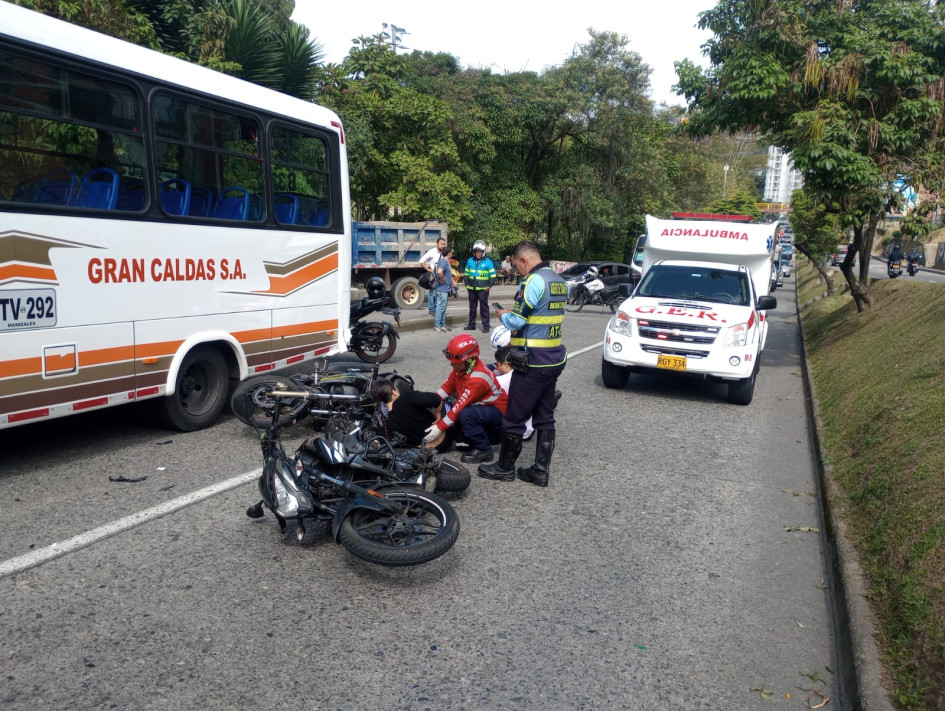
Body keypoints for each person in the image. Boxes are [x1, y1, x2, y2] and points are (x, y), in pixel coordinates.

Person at [478, 240, 567, 487]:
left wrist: (503, 315)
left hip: (533, 363)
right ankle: (540, 471)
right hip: (553, 359)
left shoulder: (532, 281)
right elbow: (542, 315)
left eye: (517, 266)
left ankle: (504, 467)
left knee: (514, 417)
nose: (517, 271)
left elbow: (516, 321)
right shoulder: (558, 281)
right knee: (545, 416)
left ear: (524, 260)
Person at [422, 334, 508, 463]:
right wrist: (431, 401)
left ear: (468, 360)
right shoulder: (463, 368)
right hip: (482, 407)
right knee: (462, 443)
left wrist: (439, 427)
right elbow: (447, 387)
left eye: (455, 363)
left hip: (497, 410)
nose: (452, 365)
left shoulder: (478, 378)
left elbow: (460, 406)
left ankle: (484, 450)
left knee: (465, 414)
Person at [372, 378, 444, 448]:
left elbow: (381, 437)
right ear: (394, 392)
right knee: (447, 405)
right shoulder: (407, 398)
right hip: (442, 439)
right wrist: (437, 413)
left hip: (421, 449)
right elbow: (436, 399)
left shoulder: (382, 418)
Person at [492, 344, 534, 441]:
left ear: (506, 365)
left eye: (499, 365)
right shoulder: (529, 375)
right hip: (530, 425)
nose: (498, 368)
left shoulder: (500, 381)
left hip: (515, 430)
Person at [464, 240, 496, 333]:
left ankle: (486, 326)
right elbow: (466, 274)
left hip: (483, 290)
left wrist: (489, 286)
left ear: (483, 252)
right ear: (474, 252)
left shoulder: (488, 262)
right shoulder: (470, 261)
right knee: (472, 308)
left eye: (480, 251)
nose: (478, 253)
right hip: (471, 289)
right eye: (477, 251)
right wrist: (467, 284)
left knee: (484, 308)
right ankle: (471, 325)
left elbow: (493, 275)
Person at [420, 236, 447, 317]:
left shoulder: (444, 253)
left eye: (444, 244)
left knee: (439, 293)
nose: (443, 245)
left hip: (441, 275)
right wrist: (428, 269)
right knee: (432, 293)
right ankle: (431, 310)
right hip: (433, 275)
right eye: (441, 244)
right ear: (437, 244)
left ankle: (437, 309)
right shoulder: (431, 252)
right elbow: (421, 261)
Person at [433, 246, 453, 333]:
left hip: (445, 288)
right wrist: (442, 278)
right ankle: (437, 326)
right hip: (442, 289)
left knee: (443, 308)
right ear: (449, 253)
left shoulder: (445, 261)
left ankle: (442, 325)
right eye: (451, 252)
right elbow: (439, 271)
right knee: (440, 307)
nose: (452, 253)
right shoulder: (443, 261)